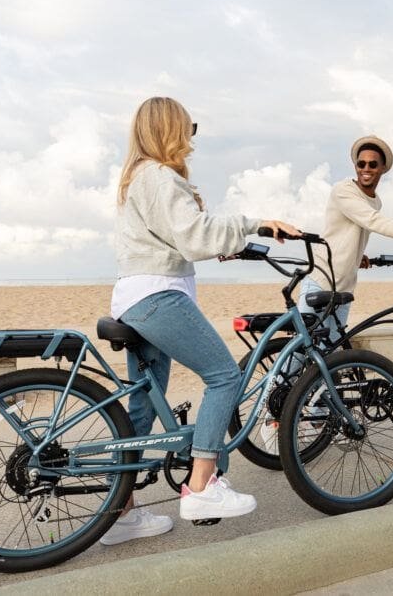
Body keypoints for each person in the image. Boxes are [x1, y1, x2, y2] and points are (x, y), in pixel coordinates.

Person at [99, 96, 300, 546]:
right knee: (225, 377)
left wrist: (223, 241)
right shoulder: (160, 176)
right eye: (189, 127)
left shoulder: (140, 178)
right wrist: (258, 224)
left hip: (135, 297)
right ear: (171, 128)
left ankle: (121, 512)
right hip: (158, 297)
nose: (192, 136)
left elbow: (180, 236)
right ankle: (204, 485)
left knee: (143, 406)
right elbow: (194, 235)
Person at [298, 135, 393, 340]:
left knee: (330, 353)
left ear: (383, 168)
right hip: (321, 280)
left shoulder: (375, 201)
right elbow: (373, 221)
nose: (366, 168)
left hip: (344, 287)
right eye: (361, 163)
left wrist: (357, 255)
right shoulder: (343, 190)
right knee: (303, 351)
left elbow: (354, 228)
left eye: (373, 164)